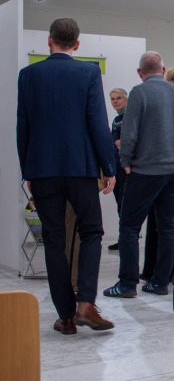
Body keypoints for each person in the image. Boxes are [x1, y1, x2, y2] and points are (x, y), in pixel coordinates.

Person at [17, 18, 116, 334]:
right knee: (91, 232)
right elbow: (98, 124)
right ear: (77, 44)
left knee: (54, 241)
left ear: (49, 41)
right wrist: (108, 168)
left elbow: (23, 127)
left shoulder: (28, 75)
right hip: (81, 168)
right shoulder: (87, 72)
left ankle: (66, 317)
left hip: (42, 170)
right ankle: (86, 302)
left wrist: (28, 170)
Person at [103, 51, 174, 298]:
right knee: (168, 227)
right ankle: (160, 282)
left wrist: (126, 162)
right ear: (163, 71)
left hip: (145, 171)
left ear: (140, 73)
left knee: (130, 226)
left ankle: (127, 284)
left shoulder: (139, 93)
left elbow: (128, 135)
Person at [141, 62, 174, 280]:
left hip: (162, 166)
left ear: (169, 81)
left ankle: (157, 269)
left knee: (160, 219)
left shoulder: (165, 102)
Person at [108, 88, 128, 251]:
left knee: (125, 205)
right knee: (119, 205)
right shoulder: (116, 120)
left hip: (126, 167)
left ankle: (127, 239)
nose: (115, 101)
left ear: (126, 99)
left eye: (118, 98)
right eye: (113, 99)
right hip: (116, 167)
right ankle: (123, 239)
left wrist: (126, 143)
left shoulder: (129, 117)